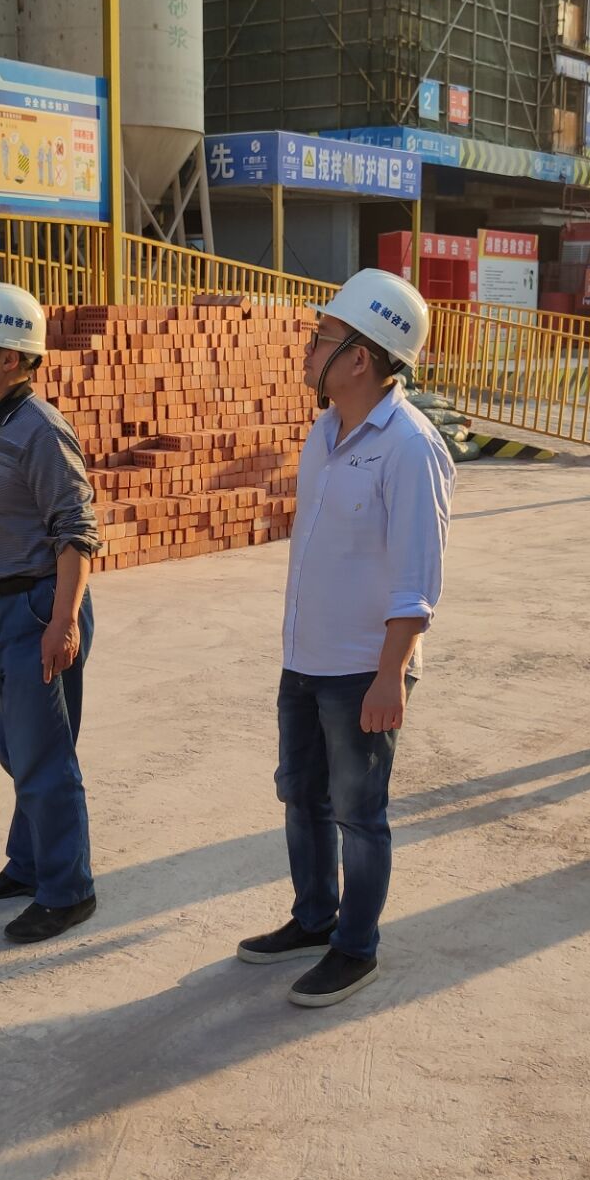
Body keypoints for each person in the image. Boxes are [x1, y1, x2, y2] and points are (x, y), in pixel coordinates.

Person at [236, 269, 455, 1008]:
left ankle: (355, 948)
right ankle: (313, 918)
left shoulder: (411, 448)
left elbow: (417, 580)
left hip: (364, 668)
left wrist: (391, 675)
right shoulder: (324, 432)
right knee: (301, 795)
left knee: (358, 814)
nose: (308, 347)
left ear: (360, 357)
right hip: (305, 657)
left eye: (321, 336)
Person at [0, 283, 103, 943]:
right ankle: (29, 863)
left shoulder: (40, 429)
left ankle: (68, 890)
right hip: (4, 611)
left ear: (9, 358)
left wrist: (62, 623)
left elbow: (78, 534)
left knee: (43, 758)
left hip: (39, 607)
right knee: (20, 748)